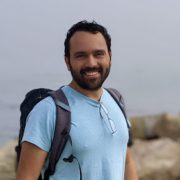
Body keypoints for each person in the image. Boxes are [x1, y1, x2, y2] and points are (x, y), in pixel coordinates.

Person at [16, 20, 138, 180]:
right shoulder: (48, 111)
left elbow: (126, 162)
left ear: (110, 56)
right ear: (67, 61)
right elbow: (26, 177)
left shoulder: (116, 100)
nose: (91, 63)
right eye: (81, 56)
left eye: (98, 54)